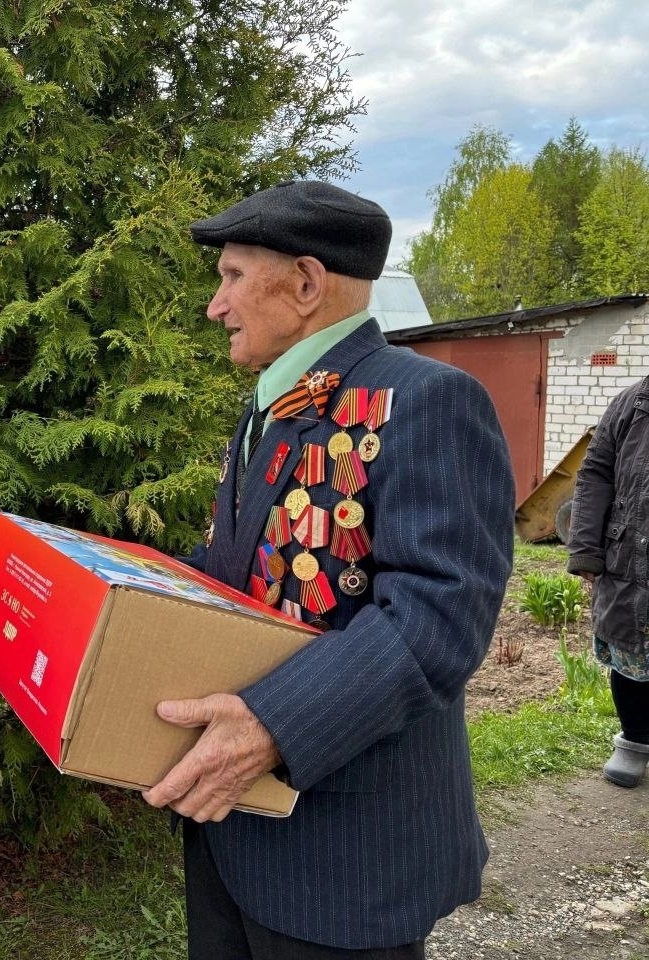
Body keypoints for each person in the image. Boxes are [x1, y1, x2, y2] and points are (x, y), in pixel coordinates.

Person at [143, 181, 515, 958]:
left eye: (233, 276)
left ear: (308, 284)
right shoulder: (274, 405)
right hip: (231, 834)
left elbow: (439, 617)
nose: (216, 305)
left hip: (347, 860)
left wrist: (275, 724)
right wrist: (128, 590)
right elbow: (244, 571)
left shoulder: (427, 400)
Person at [566, 376, 649, 787]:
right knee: (632, 654)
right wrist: (585, 549)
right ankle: (635, 740)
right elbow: (595, 473)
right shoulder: (631, 403)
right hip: (632, 558)